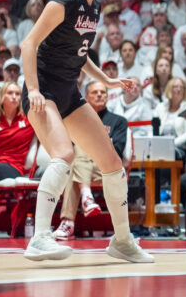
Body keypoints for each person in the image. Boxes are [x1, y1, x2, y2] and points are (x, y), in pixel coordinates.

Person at [18, 0, 152, 263]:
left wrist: (104, 79)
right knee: (64, 154)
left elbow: (81, 54)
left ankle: (122, 241)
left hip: (69, 92)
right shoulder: (63, 1)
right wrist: (34, 89)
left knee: (112, 163)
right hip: (44, 92)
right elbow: (28, 44)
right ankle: (39, 238)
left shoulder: (94, 5)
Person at [53, 81, 130, 240]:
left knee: (79, 151)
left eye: (103, 92)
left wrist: (93, 144)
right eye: (95, 92)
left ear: (108, 97)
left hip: (106, 167)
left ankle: (68, 223)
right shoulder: (77, 120)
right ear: (86, 97)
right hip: (84, 169)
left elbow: (117, 150)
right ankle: (86, 197)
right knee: (75, 161)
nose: (100, 95)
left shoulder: (118, 121)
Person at [0, 81, 35, 182]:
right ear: (2, 96)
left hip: (14, 168)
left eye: (17, 94)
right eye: (10, 93)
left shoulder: (28, 121)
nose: (14, 96)